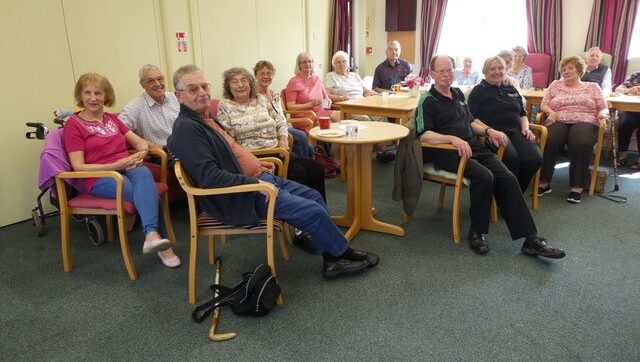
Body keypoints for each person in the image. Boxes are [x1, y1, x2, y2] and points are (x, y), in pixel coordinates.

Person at [167, 64, 379, 279]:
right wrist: (256, 184)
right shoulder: (187, 129)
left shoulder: (205, 119)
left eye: (204, 86)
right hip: (240, 195)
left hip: (257, 178)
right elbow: (211, 177)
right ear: (179, 96)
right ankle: (337, 258)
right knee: (312, 210)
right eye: (193, 89)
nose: (202, 93)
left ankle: (335, 253)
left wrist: (256, 165)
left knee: (313, 195)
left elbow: (229, 153)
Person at [416, 55, 565, 259]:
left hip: (474, 146)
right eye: (441, 71)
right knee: (484, 177)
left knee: (508, 178)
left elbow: (471, 122)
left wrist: (488, 132)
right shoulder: (427, 100)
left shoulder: (458, 93)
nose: (446, 74)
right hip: (448, 151)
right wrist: (452, 139)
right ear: (432, 73)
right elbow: (423, 133)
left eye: (449, 69)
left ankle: (531, 239)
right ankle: (477, 232)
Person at [63, 73, 181, 268]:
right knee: (147, 192)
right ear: (80, 96)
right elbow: (79, 166)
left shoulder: (111, 119)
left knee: (143, 173)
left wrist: (141, 152)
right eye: (88, 93)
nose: (93, 98)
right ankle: (160, 244)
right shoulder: (73, 125)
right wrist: (116, 166)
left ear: (106, 95)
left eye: (98, 93)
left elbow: (138, 141)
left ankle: (152, 236)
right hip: (100, 176)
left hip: (127, 167)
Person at [217, 67, 326, 201]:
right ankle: (305, 213)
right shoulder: (225, 106)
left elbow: (280, 120)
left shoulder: (261, 99)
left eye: (243, 80)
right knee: (299, 174)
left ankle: (320, 213)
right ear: (228, 87)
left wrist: (283, 139)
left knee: (316, 168)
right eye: (234, 82)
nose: (240, 85)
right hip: (255, 157)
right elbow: (230, 140)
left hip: (278, 150)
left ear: (250, 83)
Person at [538, 56, 609, 204]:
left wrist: (603, 114)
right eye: (563, 69)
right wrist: (551, 112)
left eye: (570, 68)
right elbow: (543, 104)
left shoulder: (593, 87)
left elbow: (603, 107)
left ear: (579, 70)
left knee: (580, 142)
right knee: (549, 139)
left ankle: (577, 186)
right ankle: (544, 182)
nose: (566, 71)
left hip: (585, 119)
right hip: (559, 118)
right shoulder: (555, 84)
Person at [468, 56, 542, 193]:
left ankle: (514, 194)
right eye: (492, 69)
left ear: (505, 70)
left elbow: (522, 113)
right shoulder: (479, 91)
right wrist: (489, 130)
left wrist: (526, 128)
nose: (497, 71)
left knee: (534, 158)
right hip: (494, 134)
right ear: (485, 72)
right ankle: (507, 196)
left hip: (516, 131)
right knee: (511, 159)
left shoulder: (511, 89)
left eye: (500, 68)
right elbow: (472, 117)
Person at [324, 50, 395, 161]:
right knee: (364, 118)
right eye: (338, 62)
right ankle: (363, 151)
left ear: (348, 63)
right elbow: (327, 95)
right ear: (334, 65)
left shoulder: (355, 76)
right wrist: (340, 98)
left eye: (344, 61)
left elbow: (365, 91)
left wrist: (376, 94)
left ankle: (382, 148)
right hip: (347, 107)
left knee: (380, 116)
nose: (342, 64)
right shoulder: (331, 76)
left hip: (363, 105)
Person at [253, 60, 313, 159]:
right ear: (255, 75)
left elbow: (281, 116)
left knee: (309, 147)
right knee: (301, 136)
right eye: (262, 73)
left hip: (281, 126)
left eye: (269, 73)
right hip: (269, 130)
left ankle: (303, 168)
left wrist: (283, 131)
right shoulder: (253, 97)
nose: (266, 76)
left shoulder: (275, 95)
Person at [118, 64, 179, 149]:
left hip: (187, 147)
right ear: (142, 84)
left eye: (160, 79)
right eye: (150, 81)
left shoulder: (176, 98)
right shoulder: (134, 107)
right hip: (163, 155)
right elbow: (117, 133)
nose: (157, 84)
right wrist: (144, 143)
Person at [285, 51, 340, 131]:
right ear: (299, 65)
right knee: (332, 126)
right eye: (304, 62)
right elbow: (290, 106)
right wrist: (309, 104)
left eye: (309, 61)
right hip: (305, 116)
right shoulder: (293, 82)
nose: (307, 64)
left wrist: (328, 102)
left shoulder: (317, 79)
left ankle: (342, 143)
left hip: (320, 113)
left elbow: (326, 98)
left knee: (341, 116)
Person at [614, 71, 640, 169]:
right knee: (625, 123)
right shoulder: (636, 75)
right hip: (630, 110)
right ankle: (622, 156)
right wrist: (628, 90)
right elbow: (618, 89)